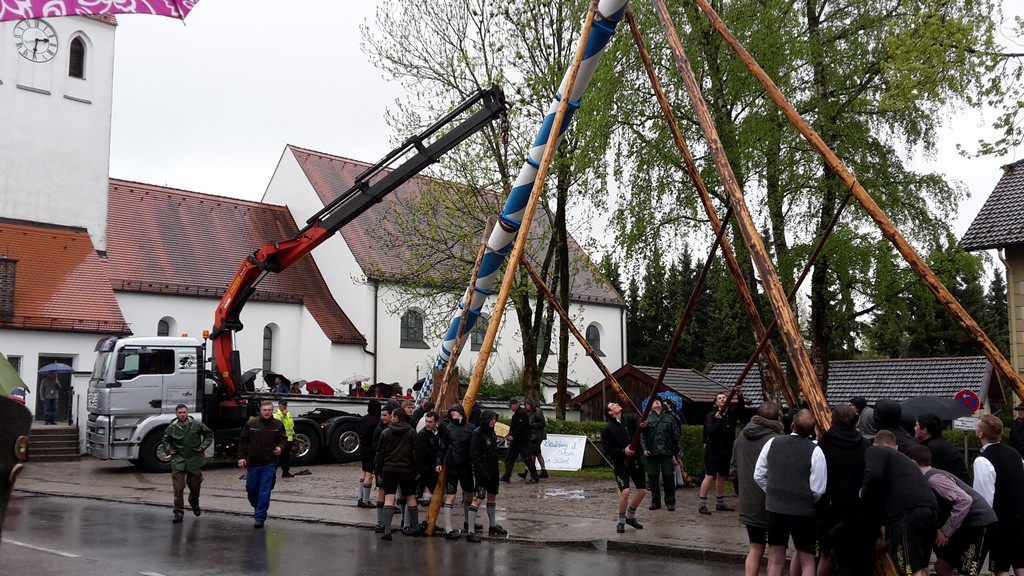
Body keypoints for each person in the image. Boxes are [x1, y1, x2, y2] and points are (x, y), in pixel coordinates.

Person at [754, 409, 826, 576]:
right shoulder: (815, 451)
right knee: (807, 562)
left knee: (776, 559)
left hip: (775, 508)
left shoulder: (772, 443)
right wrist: (805, 499)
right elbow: (818, 488)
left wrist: (772, 491)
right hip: (802, 511)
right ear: (813, 429)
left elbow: (758, 474)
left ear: (792, 425)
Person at [906, 444, 996, 576]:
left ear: (913, 463)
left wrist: (946, 531)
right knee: (942, 566)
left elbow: (964, 500)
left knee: (968, 570)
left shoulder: (934, 478)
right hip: (965, 525)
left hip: (979, 523)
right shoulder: (927, 479)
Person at [862, 430, 938, 576]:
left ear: (874, 444)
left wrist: (864, 493)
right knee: (921, 565)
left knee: (909, 567)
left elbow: (873, 475)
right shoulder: (903, 461)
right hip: (931, 508)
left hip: (908, 511)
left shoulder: (876, 450)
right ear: (896, 446)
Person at [816, 404, 873, 576]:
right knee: (853, 558)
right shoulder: (864, 445)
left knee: (827, 554)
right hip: (857, 509)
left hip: (830, 509)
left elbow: (818, 478)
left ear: (832, 421)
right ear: (855, 422)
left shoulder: (824, 444)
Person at [729, 401, 783, 576]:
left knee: (756, 547)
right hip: (772, 503)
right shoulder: (777, 441)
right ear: (777, 419)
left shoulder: (741, 437)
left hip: (748, 501)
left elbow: (733, 470)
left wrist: (741, 493)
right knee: (775, 551)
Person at [973, 413, 1024, 576]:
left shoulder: (983, 460)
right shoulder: (1016, 454)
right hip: (1021, 516)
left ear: (980, 433)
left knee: (1000, 567)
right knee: (1020, 563)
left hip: (1000, 521)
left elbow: (984, 498)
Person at [237, 400, 287, 528]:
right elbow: (243, 441)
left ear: (272, 410)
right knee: (252, 490)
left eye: (269, 410)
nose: (267, 412)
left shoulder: (277, 424)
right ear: (260, 410)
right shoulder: (251, 424)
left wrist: (280, 448)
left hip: (269, 463)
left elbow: (283, 439)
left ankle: (260, 517)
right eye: (265, 410)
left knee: (265, 491)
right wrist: (242, 457)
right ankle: (257, 507)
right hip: (253, 463)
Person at [162, 404, 213, 524]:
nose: (182, 414)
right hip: (178, 461)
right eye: (179, 413)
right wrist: (169, 450)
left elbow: (208, 435)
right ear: (176, 414)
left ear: (187, 412)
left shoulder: (196, 424)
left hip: (194, 459)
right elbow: (165, 441)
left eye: (184, 412)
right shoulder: (172, 428)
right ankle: (178, 512)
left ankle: (194, 503)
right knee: (178, 489)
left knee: (195, 487)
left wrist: (203, 446)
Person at [602, 402, 647, 534]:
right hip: (621, 464)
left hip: (636, 460)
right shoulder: (608, 429)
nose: (616, 404)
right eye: (612, 404)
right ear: (610, 412)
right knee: (625, 491)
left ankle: (630, 517)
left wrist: (644, 425)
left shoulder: (631, 418)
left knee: (642, 491)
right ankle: (621, 521)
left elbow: (642, 427)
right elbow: (608, 449)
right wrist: (623, 451)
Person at [375, 405, 418, 541]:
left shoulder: (386, 432)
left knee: (389, 498)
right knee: (410, 497)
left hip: (389, 469)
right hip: (407, 470)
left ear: (397, 418)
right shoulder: (411, 432)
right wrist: (417, 469)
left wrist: (378, 470)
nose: (391, 418)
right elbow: (415, 453)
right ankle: (416, 528)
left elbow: (380, 453)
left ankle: (387, 531)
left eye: (393, 416)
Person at [466, 410, 508, 542]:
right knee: (478, 499)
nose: (493, 421)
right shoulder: (477, 434)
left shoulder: (492, 433)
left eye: (494, 419)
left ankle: (492, 525)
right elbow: (474, 455)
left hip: (493, 470)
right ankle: (470, 531)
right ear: (485, 419)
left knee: (492, 497)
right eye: (491, 419)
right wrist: (481, 471)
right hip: (482, 471)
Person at [436, 403, 476, 540]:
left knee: (469, 495)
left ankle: (468, 522)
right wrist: (439, 462)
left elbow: (475, 448)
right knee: (451, 496)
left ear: (461, 413)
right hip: (452, 465)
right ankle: (448, 529)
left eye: (454, 412)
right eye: (451, 413)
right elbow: (442, 447)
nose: (452, 414)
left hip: (466, 466)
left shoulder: (470, 428)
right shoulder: (449, 428)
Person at [699, 392, 738, 515]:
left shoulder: (731, 413)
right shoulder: (711, 415)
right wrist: (718, 421)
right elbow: (709, 432)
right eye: (719, 398)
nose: (722, 399)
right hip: (713, 450)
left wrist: (739, 394)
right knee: (709, 475)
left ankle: (720, 503)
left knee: (722, 475)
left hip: (726, 450)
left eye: (724, 397)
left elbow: (741, 407)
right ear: (716, 403)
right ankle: (702, 505)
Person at [641, 396, 680, 511]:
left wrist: (678, 449)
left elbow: (676, 435)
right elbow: (642, 436)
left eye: (658, 400)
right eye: (653, 400)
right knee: (653, 478)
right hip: (652, 452)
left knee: (668, 477)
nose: (656, 401)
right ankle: (655, 501)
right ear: (650, 405)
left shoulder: (670, 418)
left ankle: (670, 502)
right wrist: (644, 448)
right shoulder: (646, 419)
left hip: (666, 452)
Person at [915, 412, 970, 484]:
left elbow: (933, 474)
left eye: (916, 426)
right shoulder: (940, 444)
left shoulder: (933, 447)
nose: (914, 428)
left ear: (924, 430)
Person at [500, 398, 538, 483]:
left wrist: (513, 435)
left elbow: (521, 427)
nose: (510, 408)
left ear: (516, 404)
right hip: (516, 441)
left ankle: (535, 476)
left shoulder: (521, 413)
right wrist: (510, 434)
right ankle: (507, 475)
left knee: (527, 459)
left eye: (511, 406)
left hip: (522, 441)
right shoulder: (517, 414)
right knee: (509, 458)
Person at [357, 399, 381, 508]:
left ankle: (360, 498)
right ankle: (366, 501)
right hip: (371, 449)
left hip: (363, 447)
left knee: (363, 471)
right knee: (369, 474)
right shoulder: (376, 421)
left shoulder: (364, 418)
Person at [415, 410, 441, 504]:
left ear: (436, 422)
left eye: (430, 422)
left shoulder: (439, 433)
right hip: (424, 468)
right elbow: (423, 452)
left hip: (432, 468)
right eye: (426, 421)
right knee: (414, 497)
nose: (427, 424)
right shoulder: (422, 434)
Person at [524, 399, 548, 479]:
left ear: (531, 405)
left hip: (537, 436)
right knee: (537, 453)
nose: (526, 406)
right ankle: (544, 471)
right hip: (533, 435)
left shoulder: (537, 412)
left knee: (532, 453)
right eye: (525, 404)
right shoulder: (528, 413)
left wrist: (531, 425)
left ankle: (529, 471)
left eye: (528, 404)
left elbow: (542, 423)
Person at [273, 400, 295, 478]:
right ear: (279, 405)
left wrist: (293, 437)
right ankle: (272, 473)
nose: (285, 406)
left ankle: (285, 472)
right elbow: (276, 422)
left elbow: (291, 426)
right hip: (280, 439)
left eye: (286, 405)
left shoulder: (288, 414)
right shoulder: (276, 414)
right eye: (283, 405)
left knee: (287, 457)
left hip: (288, 439)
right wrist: (283, 414)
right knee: (277, 457)